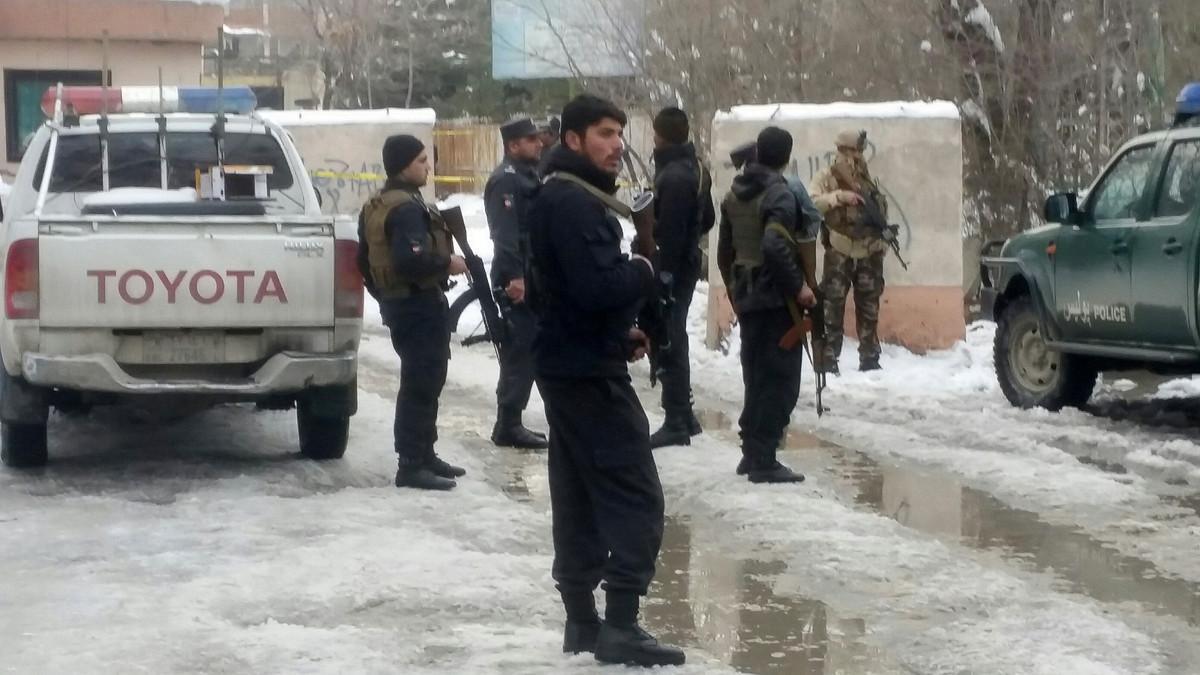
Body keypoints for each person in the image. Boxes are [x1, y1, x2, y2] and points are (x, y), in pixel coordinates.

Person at [527, 94, 686, 667]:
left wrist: (619, 336)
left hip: (575, 359)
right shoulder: (571, 203)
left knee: (578, 493)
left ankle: (581, 621)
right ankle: (619, 623)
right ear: (572, 139)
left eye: (619, 132)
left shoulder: (566, 196)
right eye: (603, 133)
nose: (616, 143)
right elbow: (595, 287)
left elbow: (569, 294)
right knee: (636, 493)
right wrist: (643, 270)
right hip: (585, 373)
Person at [357, 135, 469, 491]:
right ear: (404, 165)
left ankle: (424, 454)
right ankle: (411, 463)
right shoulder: (405, 208)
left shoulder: (377, 203)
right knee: (421, 383)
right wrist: (446, 262)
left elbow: (364, 261)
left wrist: (385, 297)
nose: (427, 166)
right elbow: (411, 260)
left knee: (426, 379)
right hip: (417, 304)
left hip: (403, 303)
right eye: (422, 160)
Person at [716, 126, 816, 484]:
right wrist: (800, 288)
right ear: (786, 156)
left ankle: (752, 452)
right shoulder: (780, 195)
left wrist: (734, 290)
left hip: (748, 295)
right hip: (776, 300)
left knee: (756, 375)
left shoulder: (735, 194)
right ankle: (764, 458)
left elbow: (724, 252)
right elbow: (775, 246)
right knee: (781, 380)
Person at [646, 107, 714, 449]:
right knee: (676, 334)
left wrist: (664, 274)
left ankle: (675, 418)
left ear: (658, 135)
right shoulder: (697, 168)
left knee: (668, 336)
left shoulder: (672, 176)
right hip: (687, 261)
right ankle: (684, 414)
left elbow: (670, 233)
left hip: (672, 264)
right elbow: (709, 219)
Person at [484, 118, 549, 449]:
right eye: (530, 140)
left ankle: (512, 421)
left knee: (531, 347)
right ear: (513, 146)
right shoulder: (505, 182)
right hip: (517, 277)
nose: (538, 144)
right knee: (519, 349)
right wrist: (514, 277)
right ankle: (507, 424)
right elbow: (505, 234)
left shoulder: (527, 176)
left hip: (533, 274)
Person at [810, 130, 889, 373]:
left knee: (869, 306)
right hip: (840, 250)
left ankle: (869, 358)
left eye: (860, 152)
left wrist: (882, 240)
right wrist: (840, 197)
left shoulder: (866, 178)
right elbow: (812, 203)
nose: (858, 156)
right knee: (832, 307)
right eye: (854, 151)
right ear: (843, 151)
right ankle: (830, 358)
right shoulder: (827, 176)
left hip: (868, 252)